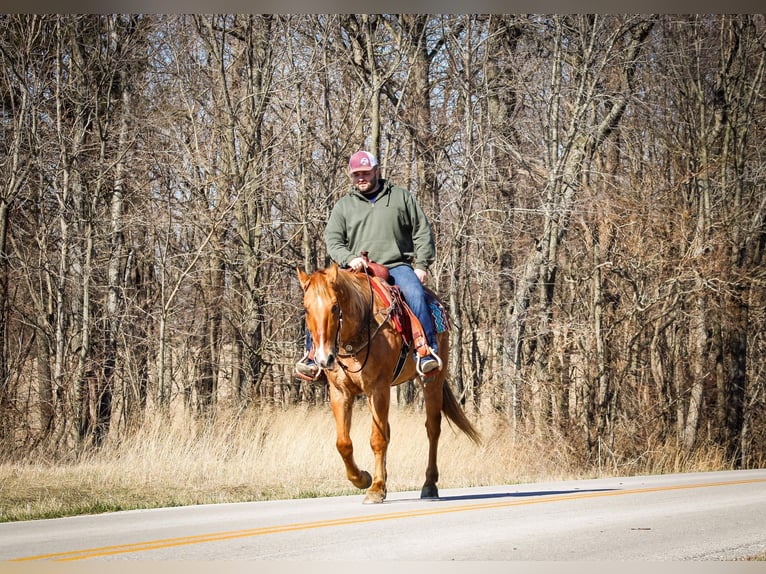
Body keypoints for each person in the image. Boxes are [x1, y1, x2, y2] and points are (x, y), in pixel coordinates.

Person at [296, 150, 441, 379]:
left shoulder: (401, 197)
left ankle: (425, 351)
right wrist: (349, 258)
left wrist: (421, 265)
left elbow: (422, 231)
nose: (361, 178)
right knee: (319, 300)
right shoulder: (344, 206)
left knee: (415, 293)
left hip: (396, 266)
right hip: (355, 269)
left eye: (365, 173)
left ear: (377, 171)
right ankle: (312, 356)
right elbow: (333, 240)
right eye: (356, 175)